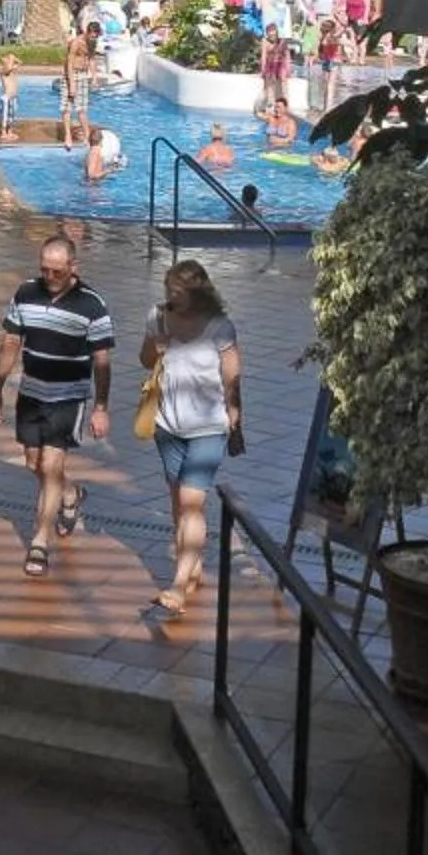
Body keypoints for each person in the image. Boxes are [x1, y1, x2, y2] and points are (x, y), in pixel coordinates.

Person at [0, 234, 112, 575]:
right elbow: (11, 341)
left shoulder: (92, 305)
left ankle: (40, 542)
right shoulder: (26, 293)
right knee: (36, 464)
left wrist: (101, 407)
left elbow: (102, 360)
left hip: (68, 397)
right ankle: (70, 494)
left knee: (51, 464)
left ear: (73, 267)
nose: (49, 276)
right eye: (44, 269)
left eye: (57, 271)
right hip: (32, 393)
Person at [139, 259, 242, 616]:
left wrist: (236, 423)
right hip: (168, 425)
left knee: (191, 502)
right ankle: (192, 564)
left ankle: (179, 585)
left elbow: (232, 380)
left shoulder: (220, 327)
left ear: (198, 293)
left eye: (178, 292)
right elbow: (144, 359)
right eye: (168, 290)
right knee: (178, 502)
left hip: (208, 427)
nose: (171, 297)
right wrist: (157, 346)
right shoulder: (158, 317)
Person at [0, 53, 21, 138]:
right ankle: (3, 132)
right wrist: (11, 58)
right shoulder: (3, 71)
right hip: (6, 98)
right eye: (9, 61)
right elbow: (9, 68)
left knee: (12, 115)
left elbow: (20, 63)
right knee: (5, 115)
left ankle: (10, 131)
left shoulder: (12, 71)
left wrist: (14, 58)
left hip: (13, 97)